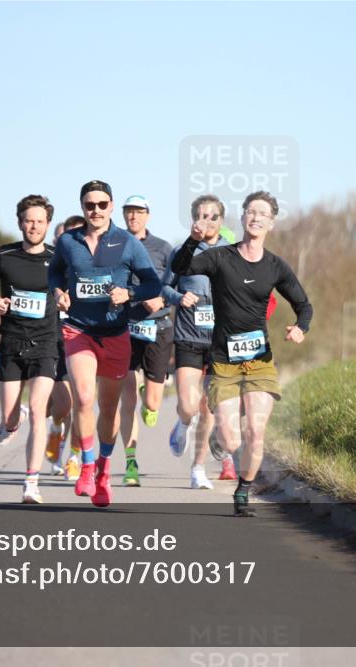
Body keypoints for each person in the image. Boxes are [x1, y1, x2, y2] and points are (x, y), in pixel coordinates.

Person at [171, 191, 312, 516]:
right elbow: (182, 267)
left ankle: (244, 490)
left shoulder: (276, 266)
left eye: (263, 213)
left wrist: (300, 327)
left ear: (271, 223)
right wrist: (192, 241)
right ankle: (222, 442)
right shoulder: (220, 257)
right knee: (233, 440)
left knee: (256, 431)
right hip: (224, 361)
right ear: (244, 217)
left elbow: (303, 304)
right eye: (251, 211)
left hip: (259, 360)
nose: (256, 217)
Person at [48, 180, 162, 508]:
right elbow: (54, 273)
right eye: (89, 205)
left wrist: (130, 293)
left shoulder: (126, 242)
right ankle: (85, 465)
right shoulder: (68, 241)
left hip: (115, 333)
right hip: (79, 330)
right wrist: (58, 292)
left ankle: (103, 468)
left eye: (101, 204)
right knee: (84, 397)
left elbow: (152, 281)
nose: (95, 210)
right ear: (82, 207)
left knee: (109, 408)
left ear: (111, 206)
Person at [0, 194, 59, 504]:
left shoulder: (57, 257)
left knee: (40, 411)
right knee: (11, 421)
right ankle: (13, 418)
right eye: (29, 220)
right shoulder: (5, 254)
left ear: (48, 224)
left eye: (39, 221)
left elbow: (68, 290)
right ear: (20, 222)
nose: (34, 226)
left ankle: (31, 482)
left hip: (46, 342)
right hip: (12, 341)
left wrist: (65, 299)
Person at [161, 194, 236, 489]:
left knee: (210, 409)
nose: (206, 221)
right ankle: (182, 422)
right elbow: (164, 288)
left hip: (219, 342)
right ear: (193, 220)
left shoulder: (232, 254)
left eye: (213, 216)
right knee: (190, 406)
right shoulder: (182, 252)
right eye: (201, 215)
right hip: (189, 337)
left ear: (221, 220)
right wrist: (180, 297)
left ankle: (198, 468)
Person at [116, 195, 173, 487]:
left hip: (157, 327)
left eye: (139, 212)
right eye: (129, 212)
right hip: (125, 327)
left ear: (148, 216)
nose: (133, 217)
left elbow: (176, 284)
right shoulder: (113, 245)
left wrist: (161, 298)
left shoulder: (163, 248)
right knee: (127, 399)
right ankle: (130, 462)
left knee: (151, 402)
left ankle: (150, 397)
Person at [45, 215, 87, 480]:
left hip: (83, 339)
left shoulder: (87, 266)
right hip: (55, 341)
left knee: (80, 402)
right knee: (63, 406)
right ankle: (55, 429)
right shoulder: (50, 267)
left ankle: (73, 457)